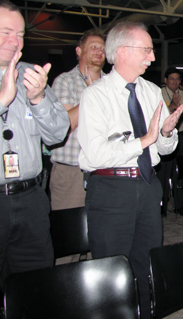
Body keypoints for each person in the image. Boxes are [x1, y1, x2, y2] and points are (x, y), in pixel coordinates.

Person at [0, 1, 70, 319]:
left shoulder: (32, 75)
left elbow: (57, 134)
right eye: (6, 32)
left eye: (21, 34)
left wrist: (38, 99)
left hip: (31, 201)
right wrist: (0, 100)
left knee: (35, 291)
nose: (16, 41)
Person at [77, 21, 183, 319]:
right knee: (110, 269)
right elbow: (96, 154)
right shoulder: (95, 96)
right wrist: (143, 141)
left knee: (145, 263)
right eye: (147, 49)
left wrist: (164, 133)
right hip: (111, 189)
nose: (152, 57)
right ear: (123, 51)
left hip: (148, 186)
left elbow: (164, 150)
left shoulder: (151, 91)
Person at [49, 29, 106, 212]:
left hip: (106, 171)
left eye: (102, 48)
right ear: (79, 51)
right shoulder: (64, 81)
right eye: (93, 47)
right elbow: (66, 125)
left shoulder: (112, 84)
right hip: (72, 171)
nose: (99, 51)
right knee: (71, 233)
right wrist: (92, 96)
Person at [158, 67, 183, 216]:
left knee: (181, 172)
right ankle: (162, 205)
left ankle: (179, 205)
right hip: (165, 136)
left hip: (182, 136)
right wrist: (173, 107)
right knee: (164, 172)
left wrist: (182, 113)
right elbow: (158, 115)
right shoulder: (159, 94)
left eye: (177, 79)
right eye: (172, 79)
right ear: (166, 80)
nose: (175, 82)